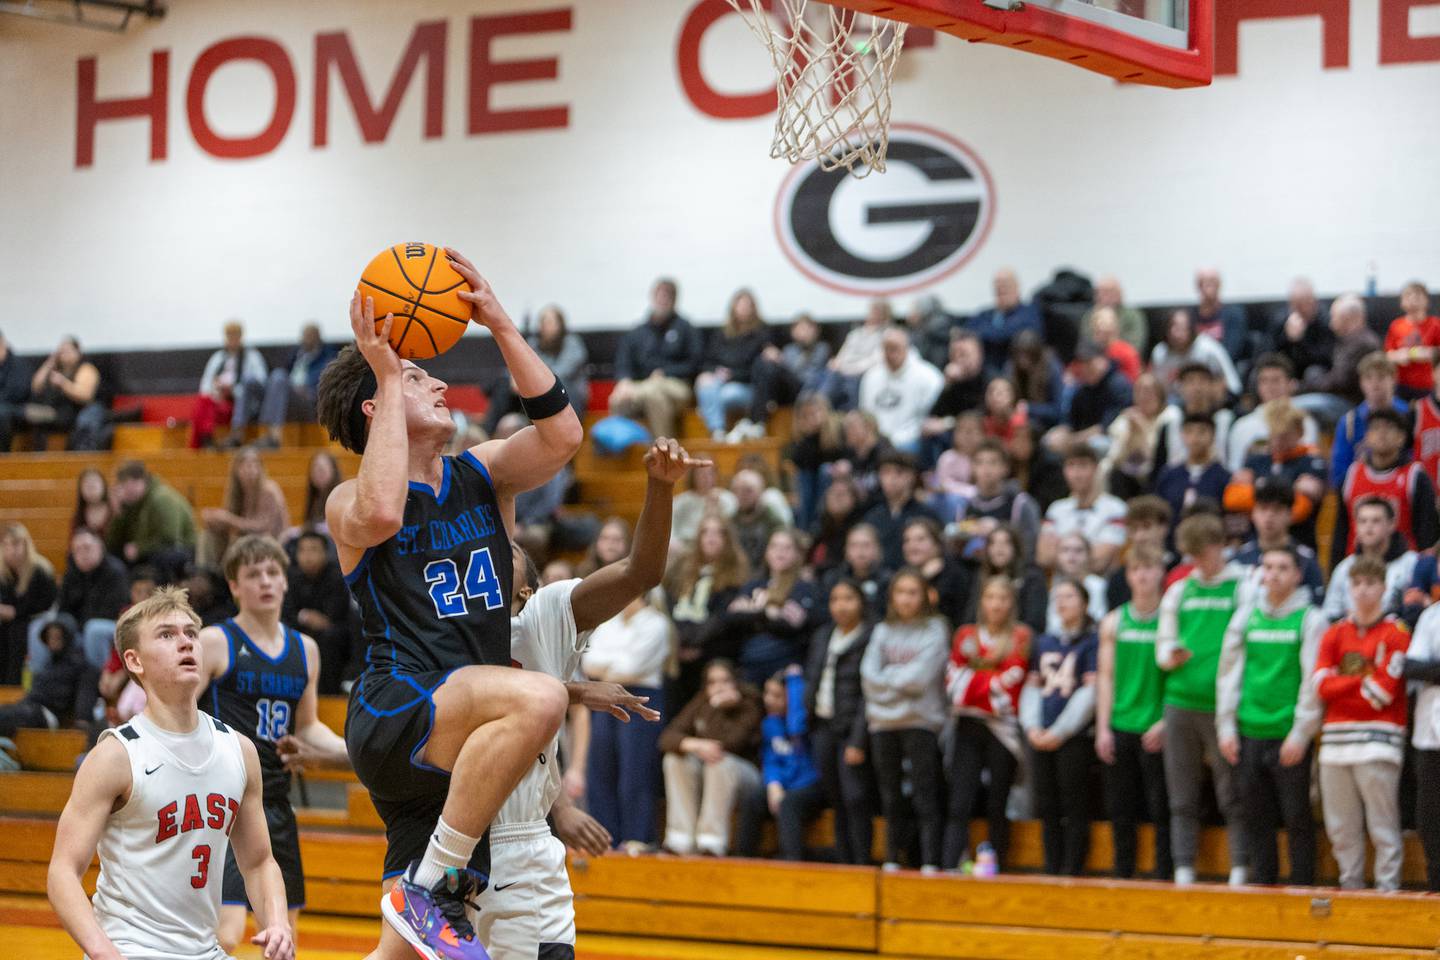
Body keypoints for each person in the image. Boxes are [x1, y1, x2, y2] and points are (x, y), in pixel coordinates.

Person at [315, 252, 591, 960]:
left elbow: (563, 436)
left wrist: (498, 320)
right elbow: (382, 511)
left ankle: (427, 891)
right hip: (399, 708)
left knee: (402, 951)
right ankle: (436, 884)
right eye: (415, 376)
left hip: (463, 748)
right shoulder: (347, 500)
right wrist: (382, 368)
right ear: (376, 407)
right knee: (541, 698)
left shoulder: (482, 472)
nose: (439, 380)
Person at [480, 438, 687, 958]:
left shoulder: (540, 619)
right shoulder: (443, 626)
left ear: (526, 592)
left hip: (524, 844)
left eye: (501, 553)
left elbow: (641, 572)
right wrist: (574, 690)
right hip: (451, 839)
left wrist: (659, 489)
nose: (484, 554)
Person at [46, 587, 295, 960]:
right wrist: (103, 952)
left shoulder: (239, 750)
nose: (185, 643)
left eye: (191, 633)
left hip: (204, 949)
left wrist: (277, 923)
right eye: (166, 635)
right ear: (134, 661)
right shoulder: (117, 755)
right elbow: (63, 872)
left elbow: (259, 862)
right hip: (131, 948)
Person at [197, 536, 349, 954]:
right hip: (225, 806)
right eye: (252, 574)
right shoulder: (214, 641)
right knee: (227, 932)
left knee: (284, 938)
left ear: (285, 582)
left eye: (272, 572)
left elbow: (309, 725)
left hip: (276, 804)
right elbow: (180, 714)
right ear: (234, 586)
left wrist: (350, 751)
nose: (264, 581)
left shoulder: (307, 650)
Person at [1216, 545, 1326, 886]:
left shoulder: (1311, 618)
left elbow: (1312, 680)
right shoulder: (1245, 616)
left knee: (1296, 818)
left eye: (1282, 567)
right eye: (1268, 567)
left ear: (1297, 575)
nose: (1273, 574)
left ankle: (1302, 887)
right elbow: (1228, 674)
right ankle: (1264, 889)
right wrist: (1225, 727)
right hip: (1249, 731)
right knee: (1255, 817)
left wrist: (1301, 733)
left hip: (1288, 735)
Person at [1155, 513, 1249, 886]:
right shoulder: (1180, 589)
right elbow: (1164, 642)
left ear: (1218, 546)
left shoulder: (1243, 584)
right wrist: (1170, 655)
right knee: (1181, 793)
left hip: (1222, 706)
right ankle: (1183, 869)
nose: (1197, 563)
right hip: (1180, 702)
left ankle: (1240, 868)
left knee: (1232, 792)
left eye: (1201, 554)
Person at [1313, 556, 1410, 891]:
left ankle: (1388, 891)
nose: (1363, 590)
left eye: (1371, 583)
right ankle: (1350, 889)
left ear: (1384, 587)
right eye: (1357, 584)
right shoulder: (1334, 633)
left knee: (1382, 826)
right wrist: (1361, 680)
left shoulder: (1397, 633)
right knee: (1341, 828)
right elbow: (1320, 687)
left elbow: (1383, 693)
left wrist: (1343, 680)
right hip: (1335, 745)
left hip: (1378, 742)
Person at [861, 569, 949, 871]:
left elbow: (921, 679)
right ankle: (890, 857)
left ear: (925, 595)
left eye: (913, 592)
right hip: (883, 724)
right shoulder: (883, 630)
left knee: (925, 793)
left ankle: (930, 860)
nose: (907, 598)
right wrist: (894, 684)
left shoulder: (936, 629)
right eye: (901, 592)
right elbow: (868, 676)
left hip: (921, 721)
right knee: (889, 794)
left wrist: (887, 682)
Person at [944, 576, 1031, 871]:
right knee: (959, 802)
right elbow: (954, 687)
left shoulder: (1020, 636)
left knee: (998, 803)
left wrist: (974, 683)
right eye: (991, 597)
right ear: (982, 601)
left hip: (1002, 731)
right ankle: (952, 864)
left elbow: (1009, 690)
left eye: (1003, 598)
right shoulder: (965, 635)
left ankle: (997, 868)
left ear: (1011, 603)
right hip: (967, 726)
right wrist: (988, 684)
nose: (996, 604)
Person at [1095, 547, 1172, 880]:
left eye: (1149, 567)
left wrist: (1167, 722)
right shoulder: (1114, 620)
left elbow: (1179, 677)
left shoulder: (1172, 620)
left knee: (1161, 807)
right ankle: (1122, 874)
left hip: (1157, 725)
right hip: (1121, 723)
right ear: (1128, 576)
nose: (1143, 575)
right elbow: (1105, 677)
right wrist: (1102, 728)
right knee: (1120, 808)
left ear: (1161, 573)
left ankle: (1163, 874)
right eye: (1137, 569)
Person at [1020, 577, 1099, 876]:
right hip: (1041, 732)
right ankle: (1051, 867)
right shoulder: (1043, 642)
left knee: (1074, 804)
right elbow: (1031, 688)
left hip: (1074, 736)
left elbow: (1089, 692)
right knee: (1046, 803)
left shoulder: (1091, 642)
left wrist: (1060, 731)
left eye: (1070, 596)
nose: (1063, 602)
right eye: (1059, 597)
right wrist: (1032, 727)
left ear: (1084, 603)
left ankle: (1072, 870)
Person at [803, 579, 875, 865]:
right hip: (823, 725)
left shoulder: (870, 635)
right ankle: (845, 863)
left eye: (848, 598)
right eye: (835, 599)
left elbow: (869, 693)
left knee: (855, 798)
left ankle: (862, 863)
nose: (841, 606)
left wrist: (858, 740)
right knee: (835, 799)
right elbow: (813, 676)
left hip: (853, 729)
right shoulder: (823, 635)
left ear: (861, 602)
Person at [659, 659, 764, 856]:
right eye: (713, 682)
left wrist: (721, 707)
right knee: (675, 759)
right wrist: (692, 744)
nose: (719, 687)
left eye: (725, 681)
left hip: (748, 779)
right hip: (709, 773)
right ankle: (680, 838)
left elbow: (729, 743)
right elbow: (666, 738)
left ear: (735, 682)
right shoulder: (701, 701)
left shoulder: (749, 703)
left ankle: (712, 841)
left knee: (719, 761)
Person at [1333, 406, 1439, 570]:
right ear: (1367, 437)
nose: (1381, 433)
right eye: (1375, 428)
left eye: (1389, 428)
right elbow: (1340, 530)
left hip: (1403, 568)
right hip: (1357, 570)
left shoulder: (1415, 476)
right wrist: (1335, 567)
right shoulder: (1352, 475)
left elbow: (1427, 532)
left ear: (1401, 437)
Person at [737, 666, 825, 860]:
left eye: (777, 695)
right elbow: (771, 758)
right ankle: (743, 860)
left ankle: (792, 863)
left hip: (811, 784)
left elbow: (796, 726)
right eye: (767, 693)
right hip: (785, 783)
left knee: (788, 804)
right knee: (753, 799)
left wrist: (794, 681)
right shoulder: (770, 723)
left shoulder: (806, 723)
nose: (768, 700)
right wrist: (774, 784)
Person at [666, 514, 751, 710]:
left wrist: (696, 645)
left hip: (713, 653)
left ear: (728, 539)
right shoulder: (681, 569)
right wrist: (679, 643)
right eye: (706, 532)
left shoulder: (737, 575)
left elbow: (723, 618)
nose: (711, 538)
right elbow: (669, 607)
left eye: (718, 533)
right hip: (679, 654)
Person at [1224, 401, 1328, 551]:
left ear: (1299, 432)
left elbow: (1299, 510)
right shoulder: (1256, 460)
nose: (1278, 442)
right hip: (1256, 543)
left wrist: (1257, 493)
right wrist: (1289, 491)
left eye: (1284, 435)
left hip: (1298, 543)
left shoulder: (1312, 463)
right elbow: (1232, 499)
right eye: (1273, 434)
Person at [609, 278, 704, 440]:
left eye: (667, 296)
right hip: (645, 385)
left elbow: (695, 363)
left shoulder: (686, 328)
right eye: (659, 295)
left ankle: (664, 451)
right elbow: (624, 361)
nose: (662, 300)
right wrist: (624, 380)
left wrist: (665, 372)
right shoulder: (638, 332)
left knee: (653, 393)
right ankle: (622, 452)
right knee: (618, 398)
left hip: (678, 385)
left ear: (674, 300)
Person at [723, 528, 822, 685]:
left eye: (786, 548)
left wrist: (754, 609)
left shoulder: (804, 588)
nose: (779, 552)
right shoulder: (754, 584)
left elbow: (791, 625)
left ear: (798, 554)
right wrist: (769, 611)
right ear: (767, 551)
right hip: (749, 664)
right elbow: (731, 617)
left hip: (784, 667)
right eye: (774, 546)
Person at [483, 305, 590, 433]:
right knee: (504, 385)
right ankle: (486, 433)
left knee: (563, 386)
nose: (545, 325)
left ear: (560, 324)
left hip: (565, 396)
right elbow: (518, 364)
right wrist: (514, 377)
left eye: (549, 321)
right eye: (542, 321)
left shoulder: (572, 343)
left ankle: (564, 434)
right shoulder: (533, 343)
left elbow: (561, 373)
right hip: (536, 396)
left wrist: (528, 381)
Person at [46, 526, 129, 671]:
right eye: (77, 550)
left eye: (87, 547)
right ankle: (44, 681)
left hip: (113, 628)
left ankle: (99, 680)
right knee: (41, 627)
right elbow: (62, 609)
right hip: (79, 629)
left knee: (93, 629)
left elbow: (115, 612)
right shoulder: (71, 574)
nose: (83, 554)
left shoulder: (115, 572)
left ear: (100, 547)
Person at [0, 614, 98, 737]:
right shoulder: (49, 663)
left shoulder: (81, 666)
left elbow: (85, 695)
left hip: (46, 714)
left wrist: (83, 720)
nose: (53, 640)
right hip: (29, 707)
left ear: (67, 637)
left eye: (57, 636)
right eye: (50, 636)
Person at [283, 529, 355, 695]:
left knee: (331, 637)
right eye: (303, 550)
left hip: (335, 634)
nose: (308, 556)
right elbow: (287, 613)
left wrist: (309, 619)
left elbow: (332, 617)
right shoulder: (291, 577)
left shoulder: (336, 576)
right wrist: (305, 617)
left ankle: (329, 693)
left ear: (325, 553)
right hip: (301, 631)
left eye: (313, 550)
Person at [1037, 443, 1127, 573]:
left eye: (1083, 465)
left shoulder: (1115, 508)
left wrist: (1062, 554)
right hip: (1060, 586)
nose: (1077, 473)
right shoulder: (1056, 509)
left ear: (1096, 468)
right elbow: (1044, 556)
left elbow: (1102, 560)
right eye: (1071, 465)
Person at [1324, 497, 1418, 622]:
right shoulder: (1345, 567)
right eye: (1363, 521)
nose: (1368, 527)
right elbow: (1330, 613)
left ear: (1392, 524)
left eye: (1376, 521)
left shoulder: (1411, 563)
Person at [1230, 481, 1325, 602]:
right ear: (1252, 514)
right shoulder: (1240, 558)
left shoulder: (1305, 560)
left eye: (1277, 509)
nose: (1269, 516)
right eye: (1263, 509)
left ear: (1290, 515)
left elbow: (1316, 606)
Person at [696, 288, 771, 440]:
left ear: (753, 308)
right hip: (720, 380)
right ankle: (717, 430)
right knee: (705, 385)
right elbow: (708, 361)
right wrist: (711, 372)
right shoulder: (721, 334)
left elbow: (760, 371)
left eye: (747, 305)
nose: (743, 309)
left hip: (746, 385)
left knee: (725, 395)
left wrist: (732, 375)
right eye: (740, 304)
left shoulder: (761, 335)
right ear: (733, 307)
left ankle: (708, 411)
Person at [1296, 294, 1382, 425]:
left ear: (1349, 318)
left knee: (1296, 406)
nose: (1331, 323)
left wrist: (1303, 386)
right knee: (1313, 371)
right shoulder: (1349, 340)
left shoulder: (1363, 344)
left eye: (1334, 317)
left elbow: (1339, 383)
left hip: (1352, 405)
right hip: (1340, 396)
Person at [199, 447, 291, 569]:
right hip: (247, 539)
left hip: (271, 541)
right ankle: (205, 571)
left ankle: (223, 575)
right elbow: (232, 523)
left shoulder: (269, 490)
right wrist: (215, 519)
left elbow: (264, 527)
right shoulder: (236, 492)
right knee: (208, 534)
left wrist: (228, 519)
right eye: (245, 466)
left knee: (237, 543)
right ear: (236, 470)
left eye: (254, 465)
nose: (250, 470)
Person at [953, 438, 1042, 564]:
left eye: (993, 462)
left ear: (1005, 468)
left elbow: (1030, 548)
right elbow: (956, 552)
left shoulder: (1020, 504)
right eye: (980, 462)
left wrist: (997, 530)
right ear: (972, 468)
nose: (986, 469)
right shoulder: (964, 506)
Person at [858, 327, 944, 454]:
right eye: (886, 348)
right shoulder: (871, 376)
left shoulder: (929, 376)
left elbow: (933, 417)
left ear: (907, 348)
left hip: (912, 439)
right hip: (877, 440)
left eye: (894, 348)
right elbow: (865, 413)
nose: (890, 353)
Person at [1403, 598, 1440, 892]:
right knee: (1429, 817)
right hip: (1430, 735)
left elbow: (1425, 667)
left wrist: (1433, 669)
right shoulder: (1430, 616)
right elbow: (1412, 666)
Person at [1226, 354, 1319, 471]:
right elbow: (1236, 470)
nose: (1270, 387)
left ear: (1291, 384)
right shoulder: (1243, 426)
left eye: (1276, 380)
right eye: (1264, 381)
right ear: (1258, 386)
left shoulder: (1305, 422)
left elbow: (1311, 463)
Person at [108, 460, 198, 580]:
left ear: (139, 481)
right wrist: (119, 511)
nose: (126, 491)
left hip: (182, 550)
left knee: (162, 558)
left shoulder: (161, 498)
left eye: (127, 485)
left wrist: (139, 548)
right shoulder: (136, 503)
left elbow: (169, 538)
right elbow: (114, 542)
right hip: (154, 551)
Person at [1331, 352, 1405, 489]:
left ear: (1393, 379)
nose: (1375, 384)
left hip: (1401, 486)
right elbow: (1339, 472)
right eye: (1369, 378)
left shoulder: (1408, 415)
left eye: (1381, 377)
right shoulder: (1349, 422)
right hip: (1362, 491)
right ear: (1361, 383)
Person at [257, 322, 337, 448]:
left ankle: (275, 437)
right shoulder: (297, 354)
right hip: (289, 397)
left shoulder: (328, 358)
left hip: (309, 402)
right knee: (277, 376)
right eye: (304, 335)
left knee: (279, 377)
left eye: (310, 335)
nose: (306, 339)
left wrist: (308, 390)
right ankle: (267, 433)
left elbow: (328, 387)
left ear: (318, 337)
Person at [1046, 339, 1131, 455]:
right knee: (1050, 439)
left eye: (1089, 362)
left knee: (1097, 444)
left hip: (1113, 441)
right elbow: (1072, 422)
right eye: (1082, 364)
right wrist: (1062, 434)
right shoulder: (1083, 388)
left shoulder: (1118, 385)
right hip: (1082, 437)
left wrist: (1071, 441)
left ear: (1103, 360)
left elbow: (1106, 427)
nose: (1085, 368)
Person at [191, 320, 268, 450]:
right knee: (203, 401)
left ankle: (234, 435)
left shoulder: (252, 357)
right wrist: (216, 391)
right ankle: (206, 441)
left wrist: (234, 391)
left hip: (242, 404)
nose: (232, 338)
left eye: (235, 335)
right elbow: (205, 386)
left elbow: (260, 384)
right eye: (229, 335)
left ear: (241, 336)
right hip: (219, 402)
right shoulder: (218, 358)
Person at [1154, 413, 1230, 543]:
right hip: (1172, 545)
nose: (1195, 438)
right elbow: (1159, 513)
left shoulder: (1224, 477)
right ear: (1182, 435)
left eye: (1202, 432)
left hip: (1210, 543)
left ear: (1213, 436)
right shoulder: (1169, 474)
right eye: (1189, 432)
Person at [958, 524, 1047, 634]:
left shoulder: (1032, 578)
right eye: (993, 543)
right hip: (984, 640)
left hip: (1018, 639)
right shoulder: (981, 576)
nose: (999, 548)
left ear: (1016, 547)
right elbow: (971, 618)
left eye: (1006, 543)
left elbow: (1035, 623)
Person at [22, 334, 104, 451]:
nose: (64, 355)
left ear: (78, 352)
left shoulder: (86, 369)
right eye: (61, 351)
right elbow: (35, 387)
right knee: (29, 416)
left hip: (75, 411)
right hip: (52, 409)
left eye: (68, 351)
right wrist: (49, 363)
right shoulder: (55, 369)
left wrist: (63, 384)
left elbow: (85, 395)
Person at [862, 451, 940, 571]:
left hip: (915, 578)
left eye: (899, 472)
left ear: (911, 476)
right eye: (886, 472)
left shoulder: (926, 514)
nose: (891, 478)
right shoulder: (872, 516)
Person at [0, 521, 57, 684]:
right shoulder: (3, 572)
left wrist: (13, 612)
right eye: (8, 545)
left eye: (17, 545)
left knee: (19, 632)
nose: (13, 550)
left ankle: (15, 684)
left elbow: (43, 604)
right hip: (13, 617)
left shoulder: (40, 570)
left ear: (27, 546)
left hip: (38, 616)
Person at [1153, 362, 1234, 472]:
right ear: (1180, 387)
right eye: (1190, 381)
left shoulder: (1226, 420)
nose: (1197, 387)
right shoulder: (1171, 421)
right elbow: (1160, 465)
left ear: (1212, 386)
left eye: (1202, 381)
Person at [1102, 496, 1174, 611]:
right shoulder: (1119, 578)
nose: (1140, 536)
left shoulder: (1179, 568)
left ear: (1163, 527)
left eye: (1146, 527)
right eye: (1134, 529)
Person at [1103, 372, 1167, 500]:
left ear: (1160, 395)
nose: (1144, 396)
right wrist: (1130, 436)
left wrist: (1141, 432)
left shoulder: (1168, 418)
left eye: (1149, 391)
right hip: (1125, 476)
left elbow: (1156, 459)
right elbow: (1114, 459)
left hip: (1153, 475)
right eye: (1139, 391)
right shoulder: (1125, 419)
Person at [1151, 308, 1241, 398]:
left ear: (1191, 329)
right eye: (1172, 327)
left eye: (1181, 328)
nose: (1176, 333)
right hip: (1172, 404)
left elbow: (1232, 384)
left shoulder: (1208, 349)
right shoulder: (1160, 353)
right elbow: (1158, 389)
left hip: (1208, 403)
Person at [967, 268, 1042, 376]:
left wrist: (985, 335)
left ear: (1017, 288)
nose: (1001, 289)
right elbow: (968, 332)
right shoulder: (984, 315)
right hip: (982, 372)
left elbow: (1008, 335)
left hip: (1015, 372)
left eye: (1006, 285)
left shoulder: (1029, 312)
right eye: (998, 287)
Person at [901, 517, 970, 632]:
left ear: (937, 544)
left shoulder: (954, 574)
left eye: (920, 539)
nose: (912, 546)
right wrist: (922, 578)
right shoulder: (901, 575)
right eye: (907, 540)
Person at [821, 299, 891, 410]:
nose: (873, 314)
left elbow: (874, 361)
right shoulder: (855, 333)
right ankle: (821, 408)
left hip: (861, 374)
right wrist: (837, 365)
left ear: (885, 315)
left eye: (878, 312)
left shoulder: (887, 335)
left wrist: (847, 369)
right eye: (873, 311)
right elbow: (841, 356)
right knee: (826, 375)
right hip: (843, 370)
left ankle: (853, 416)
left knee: (853, 383)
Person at [820, 523, 890, 622]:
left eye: (866, 545)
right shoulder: (833, 578)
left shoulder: (888, 580)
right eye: (854, 545)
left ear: (877, 549)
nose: (860, 552)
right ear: (846, 550)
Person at [1267, 277, 1333, 382]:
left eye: (1303, 304)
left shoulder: (1326, 321)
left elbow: (1325, 359)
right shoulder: (1280, 320)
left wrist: (1300, 341)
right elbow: (1271, 353)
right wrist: (1287, 337)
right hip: (1287, 371)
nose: (1298, 310)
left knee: (1313, 372)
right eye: (1295, 305)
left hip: (1314, 372)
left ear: (1314, 302)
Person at [1385, 280, 1440, 401]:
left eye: (1418, 296)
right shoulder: (1396, 326)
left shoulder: (1435, 325)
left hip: (1429, 385)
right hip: (1402, 385)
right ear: (1402, 302)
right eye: (1409, 296)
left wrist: (1431, 353)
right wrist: (1398, 356)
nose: (1413, 301)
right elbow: (1387, 355)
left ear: (1426, 301)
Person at [1047, 532, 1109, 633]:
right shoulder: (1054, 588)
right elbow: (1052, 626)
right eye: (1065, 550)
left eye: (1078, 550)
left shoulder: (1099, 586)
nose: (1071, 556)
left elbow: (1098, 621)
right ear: (1057, 556)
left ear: (1089, 555)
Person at [670, 459, 737, 549]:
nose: (706, 478)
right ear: (693, 476)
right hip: (686, 544)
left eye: (710, 473)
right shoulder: (682, 501)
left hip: (718, 544)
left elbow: (731, 525)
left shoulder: (727, 498)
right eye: (701, 474)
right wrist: (673, 541)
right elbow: (671, 525)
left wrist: (714, 508)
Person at [1193, 267, 1250, 366]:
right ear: (1198, 286)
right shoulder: (1190, 316)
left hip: (1223, 368)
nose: (1208, 286)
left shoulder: (1233, 314)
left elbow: (1232, 350)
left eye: (1212, 282)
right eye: (1204, 283)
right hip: (1195, 368)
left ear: (1219, 285)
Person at [1079, 275, 1147, 353]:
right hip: (1094, 359)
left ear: (1119, 294)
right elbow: (1085, 344)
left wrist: (1112, 343)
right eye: (1099, 292)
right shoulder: (1089, 315)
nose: (1103, 295)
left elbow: (1135, 346)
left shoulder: (1133, 315)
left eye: (1108, 291)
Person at [1086, 306, 1142, 382]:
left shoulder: (1127, 352)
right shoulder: (1086, 351)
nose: (1102, 327)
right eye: (1098, 324)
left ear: (1115, 328)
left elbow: (1133, 380)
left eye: (1106, 324)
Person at [0, 328, 33, 452]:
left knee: (1, 413)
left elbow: (20, 392)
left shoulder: (18, 364)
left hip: (16, 407)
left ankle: (3, 456)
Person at [73, 466, 115, 538]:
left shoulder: (114, 510)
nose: (91, 487)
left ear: (104, 485)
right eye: (86, 484)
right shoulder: (79, 515)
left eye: (95, 483)